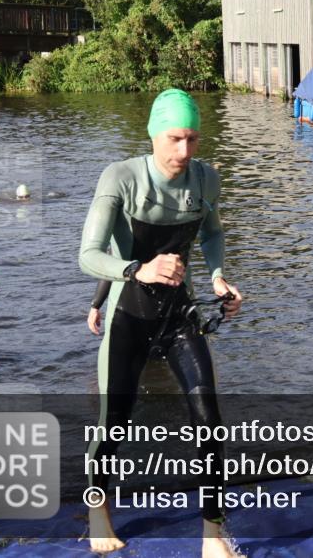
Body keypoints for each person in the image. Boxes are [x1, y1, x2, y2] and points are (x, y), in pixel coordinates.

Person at [78, 88, 243, 557]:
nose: (184, 152)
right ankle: (97, 513)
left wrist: (216, 277)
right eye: (174, 139)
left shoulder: (206, 179)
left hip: (179, 315)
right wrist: (137, 269)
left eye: (192, 139)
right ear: (153, 135)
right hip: (128, 313)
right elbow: (87, 255)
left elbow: (212, 232)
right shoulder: (122, 178)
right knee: (115, 423)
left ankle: (213, 534)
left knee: (209, 420)